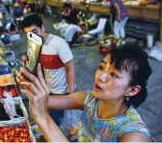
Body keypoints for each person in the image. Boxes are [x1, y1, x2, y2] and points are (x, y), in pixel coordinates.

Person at [17, 45, 153, 142]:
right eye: (101, 68)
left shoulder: (133, 135)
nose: (101, 76)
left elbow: (42, 110)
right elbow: (44, 101)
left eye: (114, 75)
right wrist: (30, 82)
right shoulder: (89, 99)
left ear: (132, 90)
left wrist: (42, 117)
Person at [21, 14, 76, 128]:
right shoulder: (34, 46)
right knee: (51, 117)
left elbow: (70, 67)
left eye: (35, 31)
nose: (33, 36)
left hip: (61, 91)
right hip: (47, 89)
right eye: (29, 34)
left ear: (43, 27)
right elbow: (36, 69)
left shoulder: (58, 43)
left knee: (55, 120)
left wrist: (71, 95)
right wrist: (27, 62)